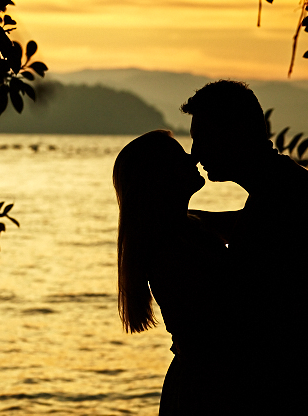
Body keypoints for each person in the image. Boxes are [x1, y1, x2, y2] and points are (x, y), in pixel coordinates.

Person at [182, 80, 308, 415]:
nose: (195, 153)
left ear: (235, 133)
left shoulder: (282, 197)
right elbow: (241, 224)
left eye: (203, 138)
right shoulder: (280, 186)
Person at [115, 130, 240, 415]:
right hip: (205, 388)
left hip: (201, 380)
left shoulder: (186, 226)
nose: (192, 157)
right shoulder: (171, 248)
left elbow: (252, 220)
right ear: (161, 176)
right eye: (179, 155)